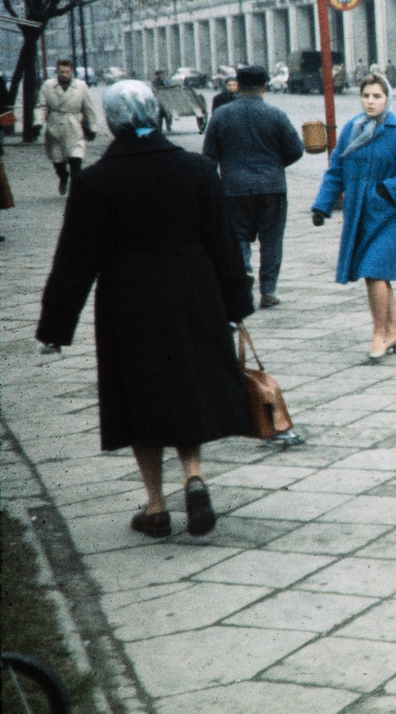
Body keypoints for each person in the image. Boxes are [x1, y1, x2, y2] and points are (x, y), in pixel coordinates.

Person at [36, 80, 254, 539]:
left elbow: (75, 258)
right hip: (194, 292)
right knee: (187, 382)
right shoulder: (196, 170)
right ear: (156, 114)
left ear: (111, 121)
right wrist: (236, 302)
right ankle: (193, 475)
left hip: (128, 300)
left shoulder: (95, 181)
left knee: (139, 395)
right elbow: (224, 243)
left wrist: (56, 327)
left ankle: (155, 506)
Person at [311, 73, 396, 361]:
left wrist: (385, 191)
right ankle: (393, 330)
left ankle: (379, 334)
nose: (371, 101)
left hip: (389, 215)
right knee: (377, 274)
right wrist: (322, 205)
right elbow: (336, 169)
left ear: (387, 98)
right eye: (366, 96)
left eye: (377, 96)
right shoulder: (353, 128)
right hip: (359, 216)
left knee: (374, 271)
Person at [202, 65, 304, 309]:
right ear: (265, 86)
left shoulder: (221, 116)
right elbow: (296, 149)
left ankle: (244, 270)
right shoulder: (276, 115)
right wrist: (276, 165)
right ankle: (268, 291)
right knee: (272, 240)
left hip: (234, 188)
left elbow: (209, 157)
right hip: (271, 186)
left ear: (237, 85)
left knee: (237, 237)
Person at [36, 58, 98, 195]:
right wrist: (38, 123)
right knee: (58, 162)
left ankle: (77, 191)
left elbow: (88, 108)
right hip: (55, 127)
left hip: (74, 126)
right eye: (61, 71)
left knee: (76, 161)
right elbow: (41, 107)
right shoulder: (48, 86)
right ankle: (63, 176)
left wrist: (93, 127)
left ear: (71, 72)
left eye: (67, 72)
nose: (64, 74)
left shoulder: (81, 86)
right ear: (56, 71)